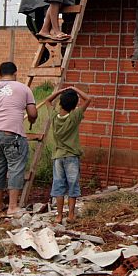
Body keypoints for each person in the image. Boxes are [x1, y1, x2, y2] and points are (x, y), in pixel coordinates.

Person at [0, 61, 38, 217]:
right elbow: (32, 113)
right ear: (15, 73)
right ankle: (13, 207)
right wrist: (32, 120)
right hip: (13, 134)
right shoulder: (23, 88)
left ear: (0, 73)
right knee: (15, 167)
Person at [35, 85, 91, 224]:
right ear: (74, 105)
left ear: (60, 103)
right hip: (71, 156)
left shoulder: (54, 117)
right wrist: (75, 89)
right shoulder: (74, 116)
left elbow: (47, 101)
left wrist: (59, 91)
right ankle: (71, 215)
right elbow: (88, 99)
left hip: (58, 157)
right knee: (72, 185)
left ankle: (59, 216)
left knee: (59, 185)